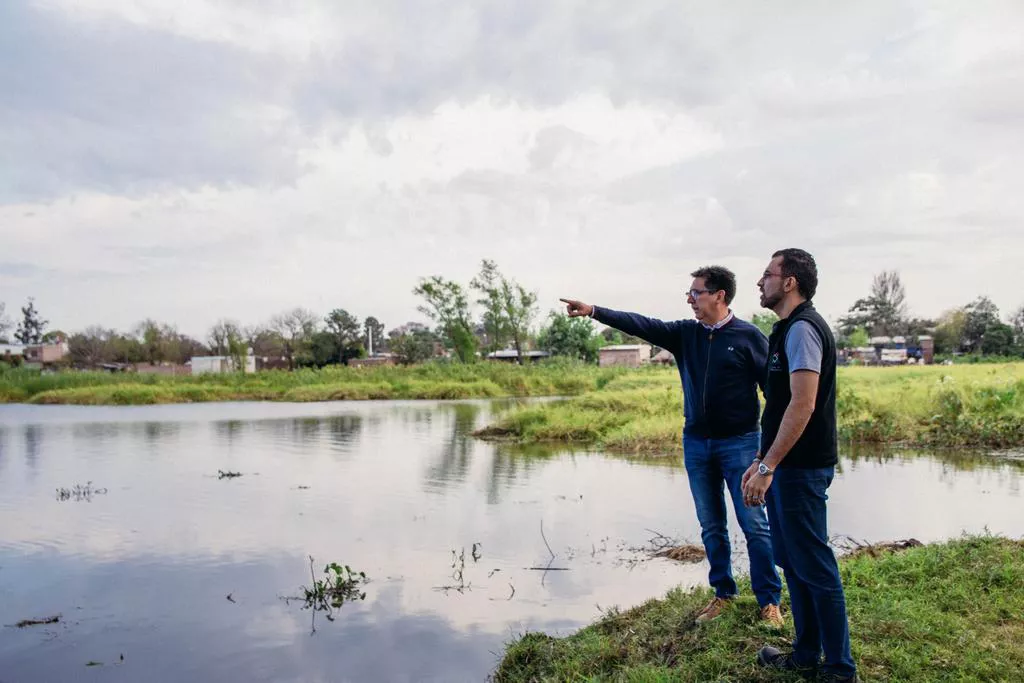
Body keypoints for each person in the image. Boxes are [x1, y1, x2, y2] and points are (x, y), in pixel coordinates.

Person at [561, 265, 784, 628]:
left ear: (719, 296)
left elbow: (773, 395)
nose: (690, 299)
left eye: (696, 293)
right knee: (711, 525)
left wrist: (767, 454)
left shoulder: (749, 337)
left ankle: (769, 601)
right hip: (696, 444)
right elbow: (641, 324)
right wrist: (594, 311)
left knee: (754, 524)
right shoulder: (685, 334)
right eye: (690, 293)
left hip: (741, 444)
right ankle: (724, 594)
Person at [742, 248, 858, 682]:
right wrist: (760, 459)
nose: (760, 281)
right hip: (785, 464)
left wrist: (769, 466)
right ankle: (806, 653)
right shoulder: (787, 329)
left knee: (814, 563)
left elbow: (802, 404)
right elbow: (776, 409)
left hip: (801, 467)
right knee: (792, 561)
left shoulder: (804, 329)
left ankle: (840, 667)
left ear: (789, 282)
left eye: (767, 274)